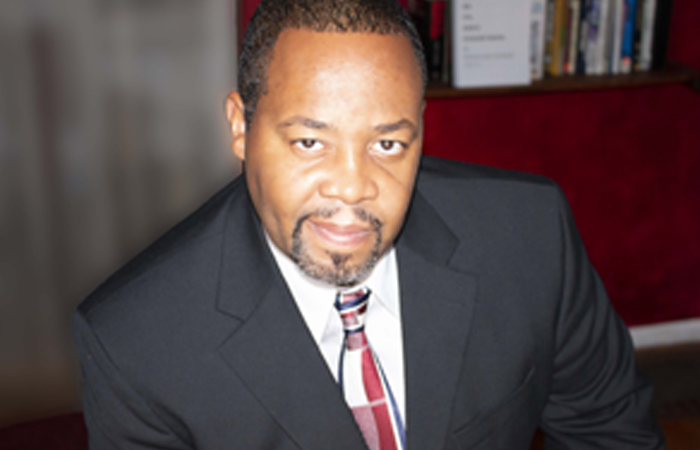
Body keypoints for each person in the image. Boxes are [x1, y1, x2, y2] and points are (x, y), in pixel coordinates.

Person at [73, 0, 664, 449]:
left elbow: (612, 432)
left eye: (387, 143)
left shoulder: (530, 234)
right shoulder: (136, 341)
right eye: (309, 142)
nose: (353, 186)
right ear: (240, 126)